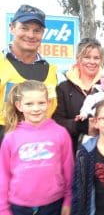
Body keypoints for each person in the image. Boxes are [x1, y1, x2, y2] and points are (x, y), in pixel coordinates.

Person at [0, 80, 74, 215]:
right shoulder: (11, 137)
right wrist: (3, 209)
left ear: (49, 103)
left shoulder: (60, 133)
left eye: (41, 103)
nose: (36, 108)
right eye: (29, 104)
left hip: (53, 205)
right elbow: (3, 175)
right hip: (18, 207)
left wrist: (68, 201)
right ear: (19, 106)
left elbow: (68, 170)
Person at [0, 4, 58, 142]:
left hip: (40, 143)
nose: (30, 35)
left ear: (43, 33)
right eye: (24, 28)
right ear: (12, 28)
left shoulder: (50, 71)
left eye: (36, 30)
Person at [52, 37, 103, 154]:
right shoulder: (63, 88)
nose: (92, 62)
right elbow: (57, 120)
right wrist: (81, 126)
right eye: (87, 57)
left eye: (96, 58)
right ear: (78, 59)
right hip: (74, 151)